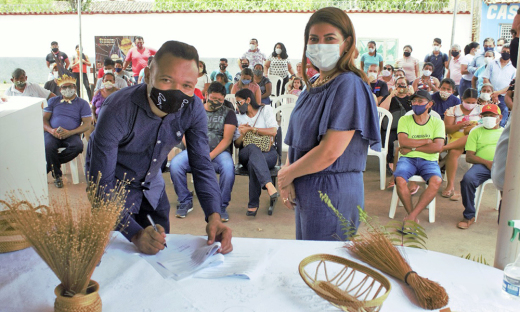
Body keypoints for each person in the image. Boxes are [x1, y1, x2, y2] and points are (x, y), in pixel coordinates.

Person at [85, 40, 233, 255]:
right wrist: (135, 234)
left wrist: (214, 216)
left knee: (161, 256)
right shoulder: (117, 109)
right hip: (113, 197)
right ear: (147, 76)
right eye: (166, 80)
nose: (177, 91)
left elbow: (201, 164)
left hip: (152, 191)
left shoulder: (192, 109)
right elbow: (101, 183)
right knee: (117, 263)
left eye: (187, 85)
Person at [279, 7, 380, 241]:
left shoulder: (348, 84)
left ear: (347, 43)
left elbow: (330, 151)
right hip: (305, 181)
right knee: (309, 261)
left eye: (329, 39)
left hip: (332, 188)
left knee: (325, 266)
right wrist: (288, 172)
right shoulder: (313, 82)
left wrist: (287, 175)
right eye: (314, 39)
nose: (320, 45)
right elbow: (296, 137)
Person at [170, 82, 237, 221]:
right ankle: (185, 201)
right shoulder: (194, 110)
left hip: (218, 153)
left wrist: (209, 156)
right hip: (195, 150)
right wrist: (194, 150)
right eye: (213, 98)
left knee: (229, 168)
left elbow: (227, 139)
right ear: (206, 95)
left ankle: (221, 206)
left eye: (220, 99)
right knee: (175, 165)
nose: (216, 102)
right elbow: (184, 132)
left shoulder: (228, 113)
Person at [393, 90, 444, 223]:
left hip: (429, 160)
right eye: (414, 101)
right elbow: (403, 142)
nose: (416, 104)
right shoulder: (405, 119)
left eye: (420, 101)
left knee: (436, 181)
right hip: (407, 159)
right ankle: (412, 216)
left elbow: (438, 147)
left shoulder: (438, 123)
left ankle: (411, 216)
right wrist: (427, 141)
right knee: (400, 179)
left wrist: (413, 147)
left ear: (430, 104)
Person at [234, 88, 279, 216]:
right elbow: (237, 144)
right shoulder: (238, 117)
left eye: (239, 102)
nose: (237, 106)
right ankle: (268, 184)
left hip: (268, 152)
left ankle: (253, 204)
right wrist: (243, 134)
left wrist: (252, 129)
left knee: (254, 163)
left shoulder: (266, 110)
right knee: (253, 149)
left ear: (248, 100)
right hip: (245, 153)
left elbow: (273, 131)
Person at [458, 104, 503, 229]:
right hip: (482, 165)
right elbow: (469, 157)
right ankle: (469, 215)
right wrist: (487, 163)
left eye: (492, 115)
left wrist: (498, 164)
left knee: (510, 186)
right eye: (485, 116)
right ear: (481, 117)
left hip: (501, 166)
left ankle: (505, 218)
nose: (488, 118)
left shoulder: (504, 133)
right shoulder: (476, 131)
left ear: (499, 117)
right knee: (467, 180)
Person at [43, 75, 91, 188]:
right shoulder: (53, 101)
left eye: (70, 86)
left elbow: (87, 124)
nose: (67, 89)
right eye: (64, 87)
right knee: (48, 147)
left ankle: (51, 165)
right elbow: (44, 119)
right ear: (60, 89)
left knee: (78, 146)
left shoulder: (82, 103)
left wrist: (70, 132)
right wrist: (51, 130)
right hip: (53, 132)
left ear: (74, 87)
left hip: (72, 134)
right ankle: (57, 176)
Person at [441, 88, 481, 201]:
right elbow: (447, 129)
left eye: (473, 102)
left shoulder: (481, 110)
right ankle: (450, 185)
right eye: (468, 102)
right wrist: (460, 125)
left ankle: (443, 148)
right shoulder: (453, 110)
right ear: (462, 98)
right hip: (456, 140)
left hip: (476, 141)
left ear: (477, 101)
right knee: (453, 152)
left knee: (470, 136)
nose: (470, 105)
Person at [379, 76, 412, 172]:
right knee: (387, 139)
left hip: (407, 128)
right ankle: (390, 161)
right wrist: (390, 96)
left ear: (407, 86)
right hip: (392, 128)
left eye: (403, 84)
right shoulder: (389, 97)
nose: (401, 87)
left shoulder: (411, 98)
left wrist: (413, 95)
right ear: (395, 86)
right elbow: (382, 110)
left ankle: (409, 161)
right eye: (398, 84)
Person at [482, 44, 516, 127]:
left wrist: (498, 93)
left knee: (501, 119)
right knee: (488, 115)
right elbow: (486, 78)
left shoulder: (514, 66)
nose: (506, 53)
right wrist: (493, 93)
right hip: (489, 95)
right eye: (504, 51)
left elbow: (512, 85)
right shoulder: (492, 63)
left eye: (508, 52)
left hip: (504, 96)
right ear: (500, 51)